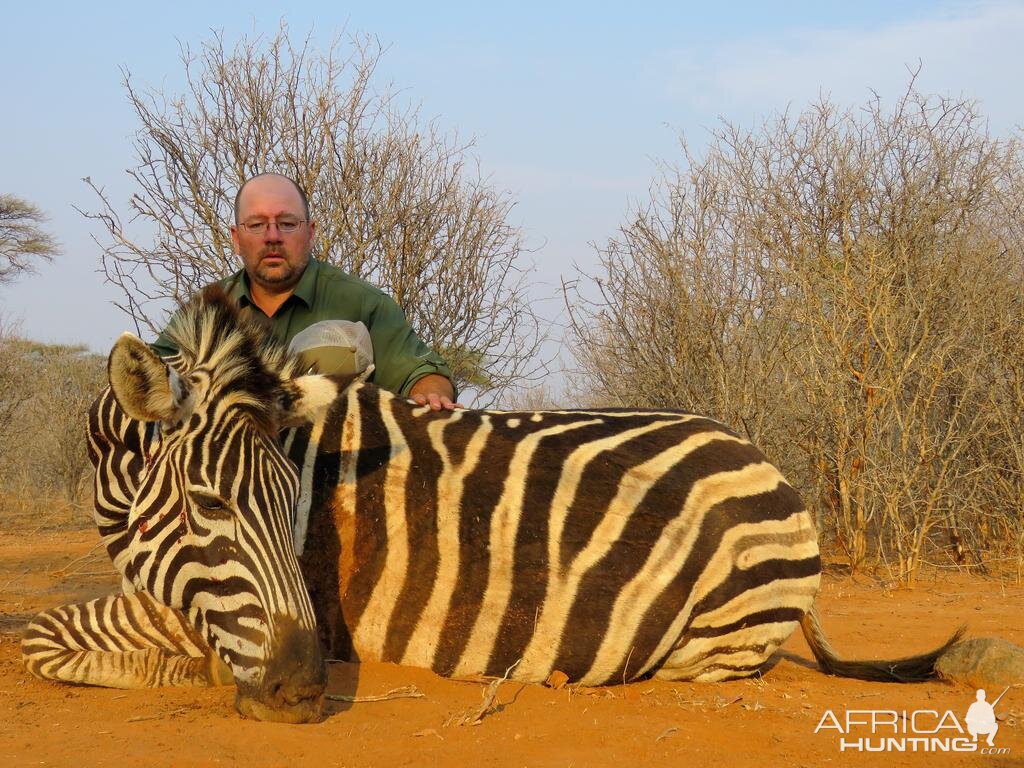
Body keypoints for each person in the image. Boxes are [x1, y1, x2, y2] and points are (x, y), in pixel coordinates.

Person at [151, 172, 460, 411]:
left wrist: (430, 396)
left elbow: (422, 374)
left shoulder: (363, 303)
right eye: (257, 225)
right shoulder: (205, 311)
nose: (272, 237)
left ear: (310, 233)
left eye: (287, 223)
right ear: (236, 238)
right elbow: (151, 375)